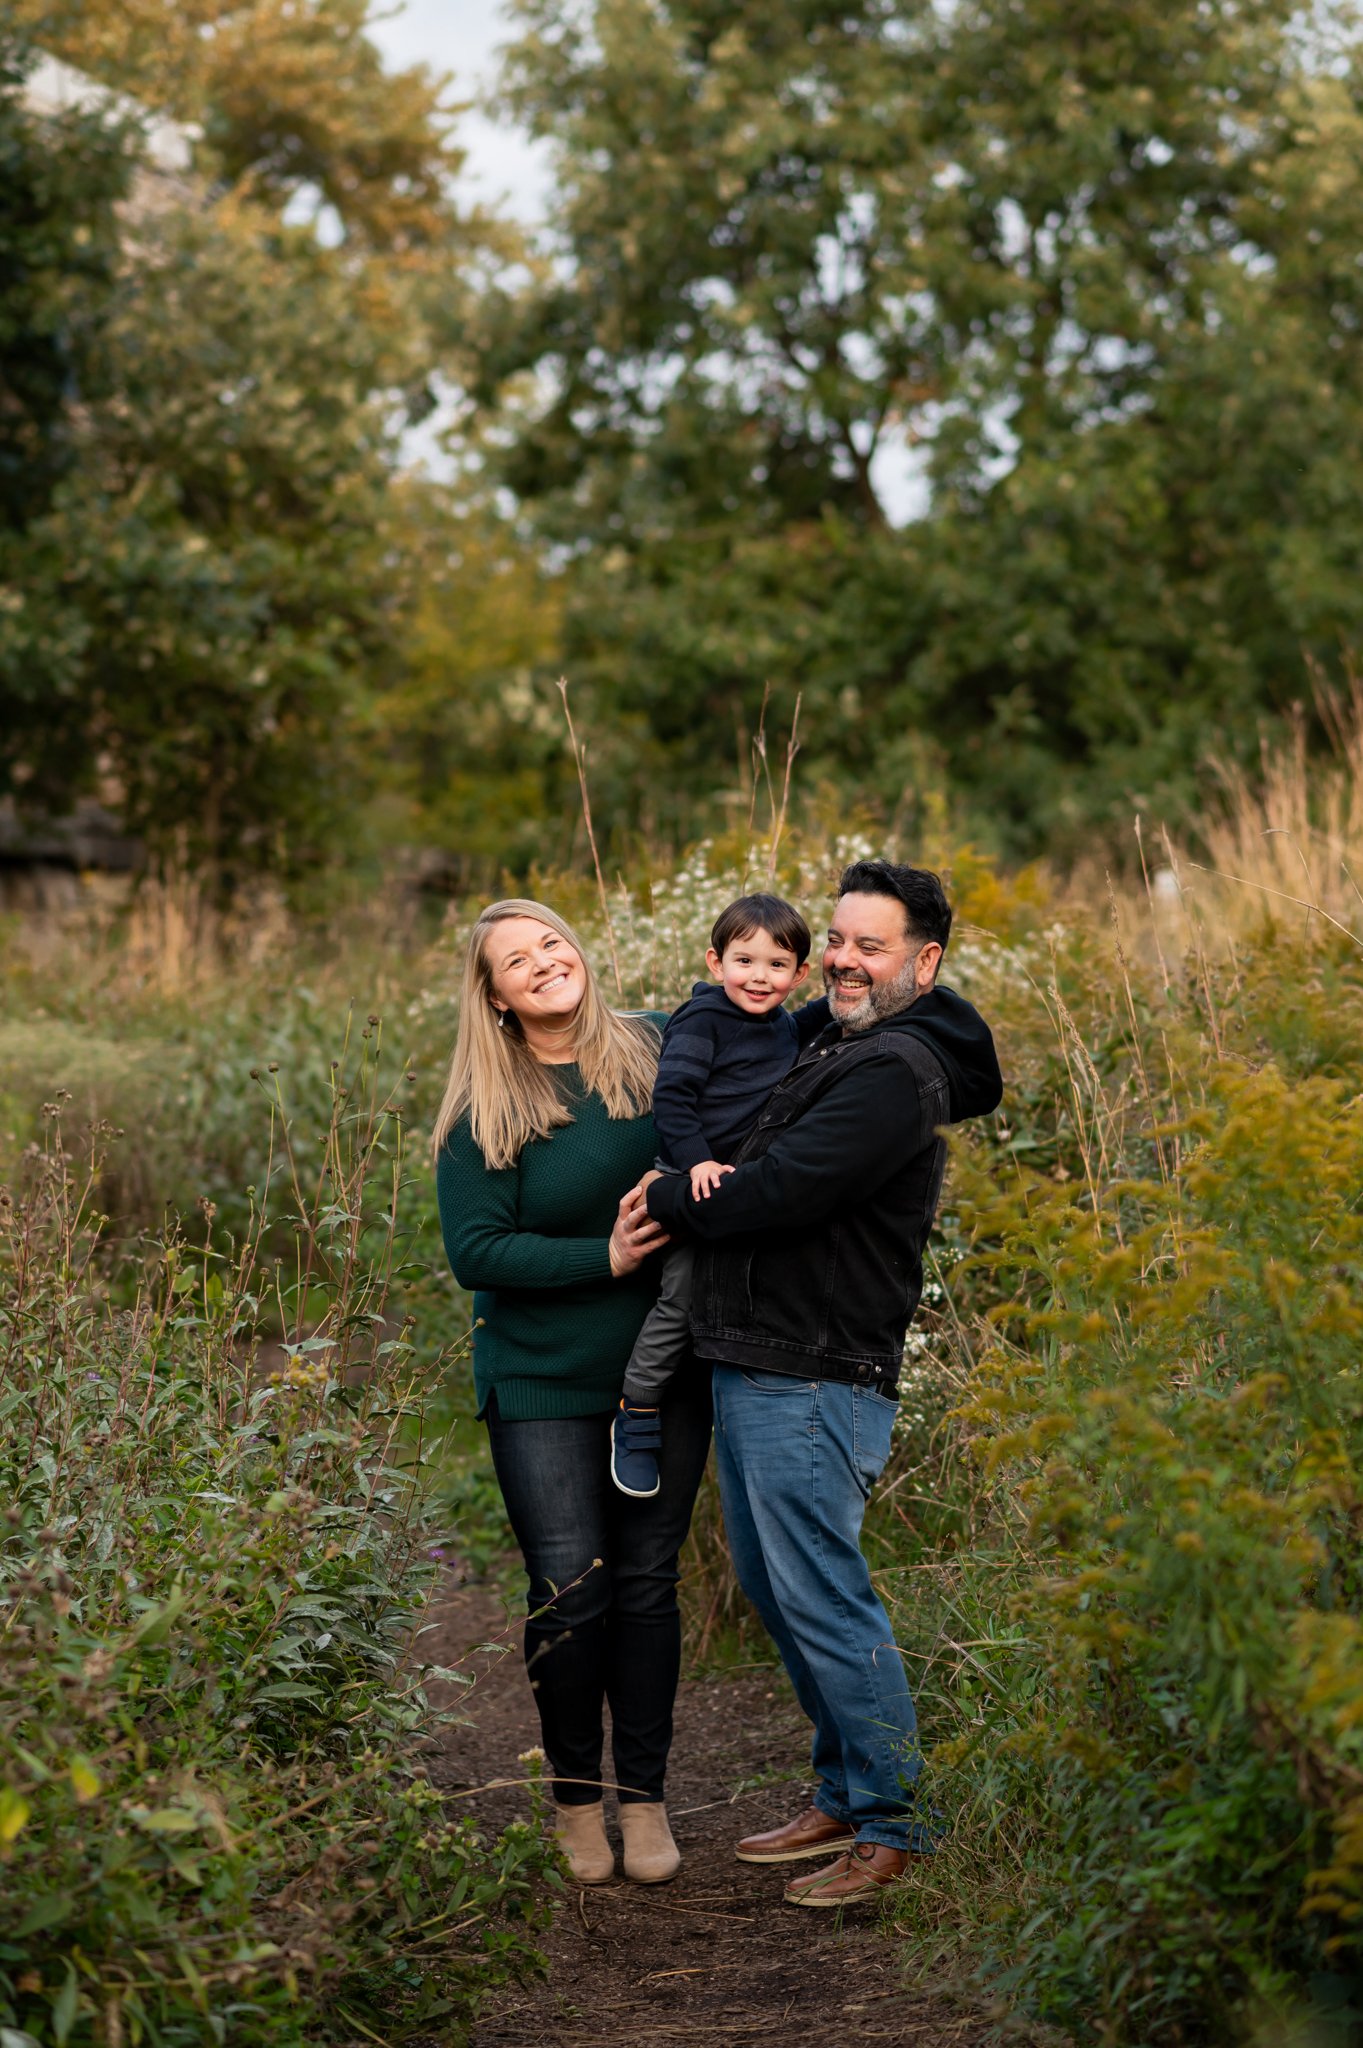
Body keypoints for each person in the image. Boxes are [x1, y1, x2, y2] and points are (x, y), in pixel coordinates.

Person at [635, 860, 1003, 1907]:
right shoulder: (838, 1039)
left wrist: (667, 1189)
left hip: (817, 1367)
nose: (838, 956)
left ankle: (893, 1822)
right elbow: (715, 1055)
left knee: (825, 1598)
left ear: (922, 963)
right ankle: (843, 1791)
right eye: (834, 937)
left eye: (867, 944)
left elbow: (781, 1192)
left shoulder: (893, 1068)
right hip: (759, 1351)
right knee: (780, 1591)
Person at [433, 898, 711, 1888]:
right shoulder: (487, 1106)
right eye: (518, 959)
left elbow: (762, 1036)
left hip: (661, 1371)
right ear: (496, 997)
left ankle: (645, 1796)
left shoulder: (657, 1048)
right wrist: (604, 1251)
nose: (545, 961)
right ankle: (575, 1799)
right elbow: (476, 1250)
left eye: (553, 940)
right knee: (569, 1588)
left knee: (644, 1584)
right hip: (541, 1374)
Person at [610, 892, 814, 1500]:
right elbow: (672, 1100)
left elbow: (819, 1021)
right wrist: (695, 1160)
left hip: (739, 1191)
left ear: (800, 975)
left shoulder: (779, 1024)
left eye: (777, 966)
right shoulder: (701, 1022)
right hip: (688, 1179)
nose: (759, 977)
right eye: (744, 961)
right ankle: (637, 1410)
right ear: (715, 961)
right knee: (681, 1300)